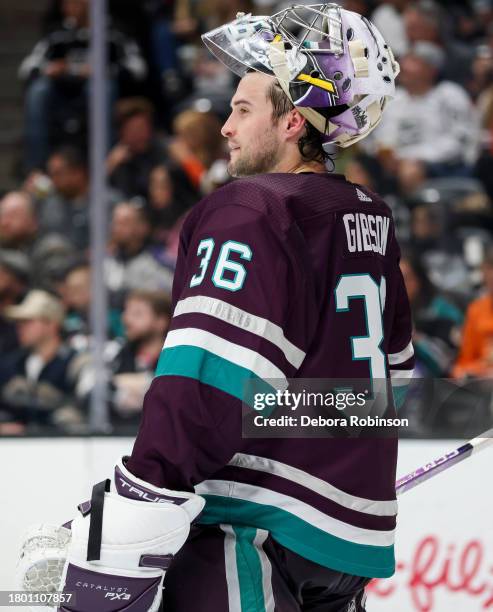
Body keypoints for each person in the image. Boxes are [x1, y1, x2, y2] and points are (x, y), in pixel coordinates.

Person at [21, 6, 413, 611]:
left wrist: (146, 490)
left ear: (292, 121)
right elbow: (389, 386)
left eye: (243, 108)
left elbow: (206, 382)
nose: (225, 127)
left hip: (248, 532)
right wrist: (329, 459)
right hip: (346, 544)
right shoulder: (369, 216)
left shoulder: (251, 209)